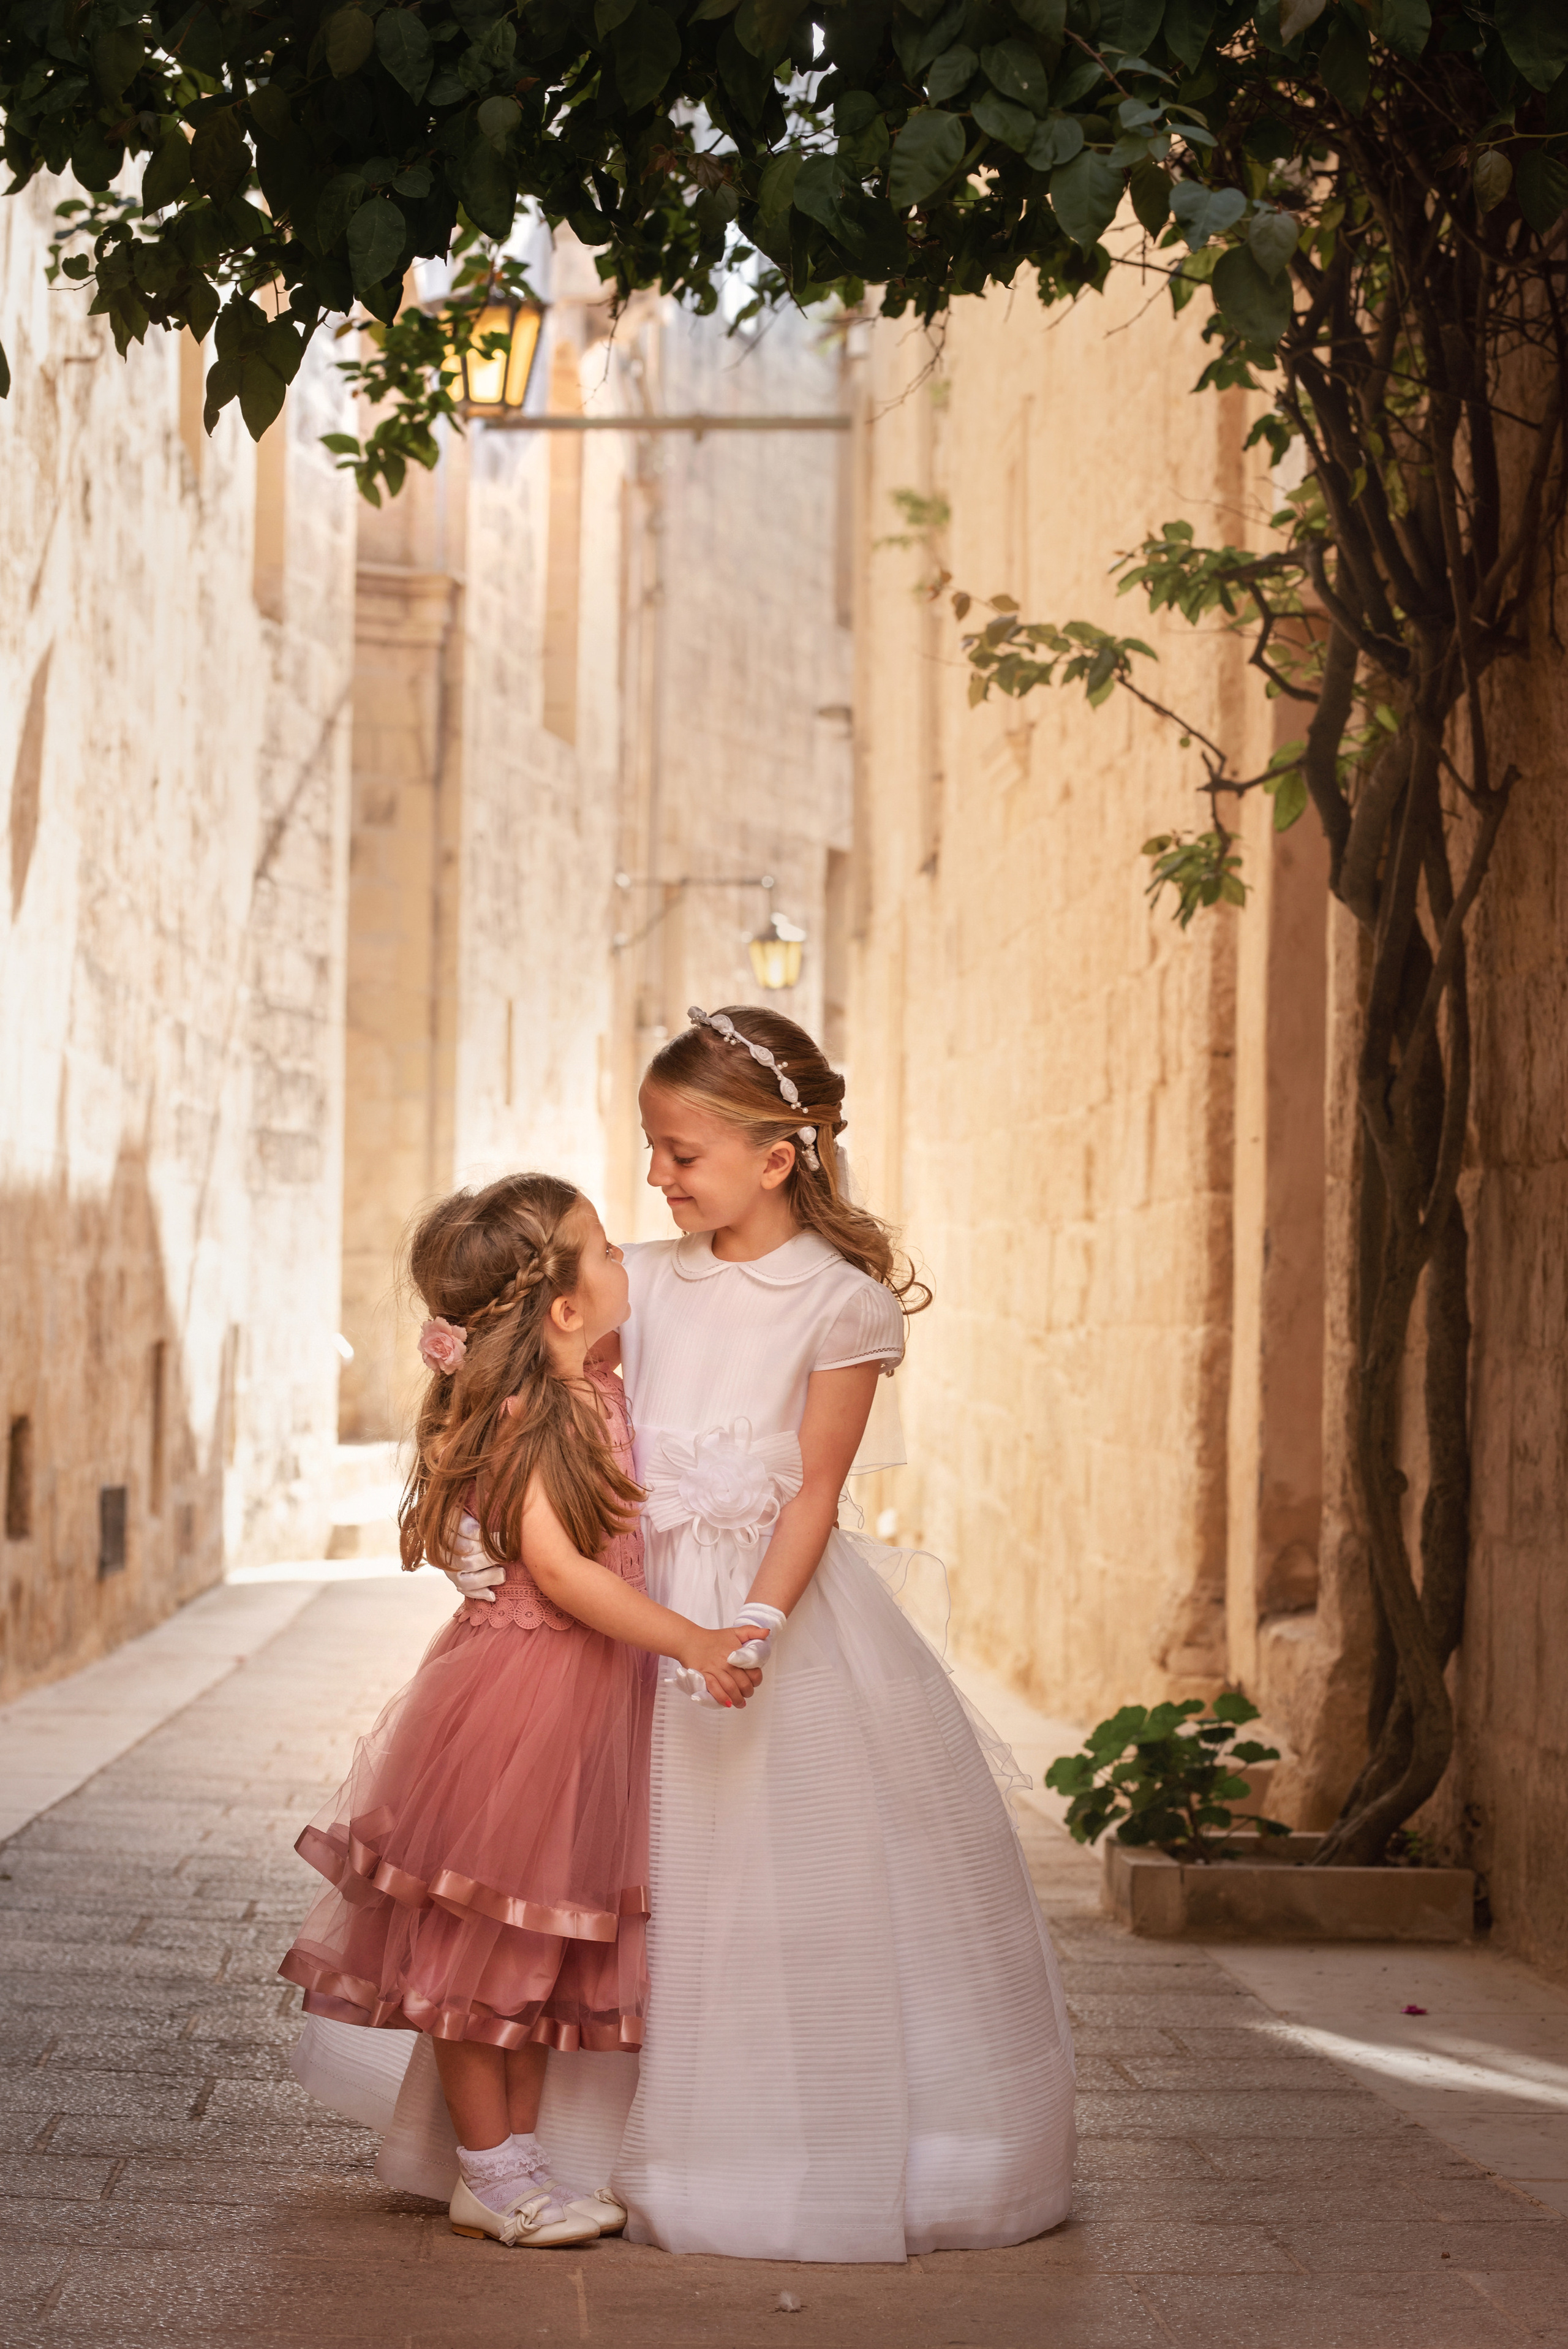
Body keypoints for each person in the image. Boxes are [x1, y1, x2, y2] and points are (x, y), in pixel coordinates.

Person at [457, 1010, 1076, 2262]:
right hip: (624, 1611)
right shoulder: (631, 1274)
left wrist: (753, 1620)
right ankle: (541, 2152)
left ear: (774, 1157)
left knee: (763, 1880)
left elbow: (813, 1490)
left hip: (758, 1611)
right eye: (649, 1148)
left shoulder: (837, 1308)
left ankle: (752, 2149)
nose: (654, 1176)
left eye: (679, 1152)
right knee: (594, 1869)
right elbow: (547, 1399)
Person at [276, 1173, 765, 2250]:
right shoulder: (556, 1409)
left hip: (574, 1703)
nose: (625, 1259)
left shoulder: (587, 1378)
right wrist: (687, 1637)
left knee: (533, 1943)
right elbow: (556, 1565)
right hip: (525, 1704)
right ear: (561, 1309)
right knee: (478, 1944)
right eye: (603, 1250)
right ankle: (490, 2171)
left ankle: (518, 2164)